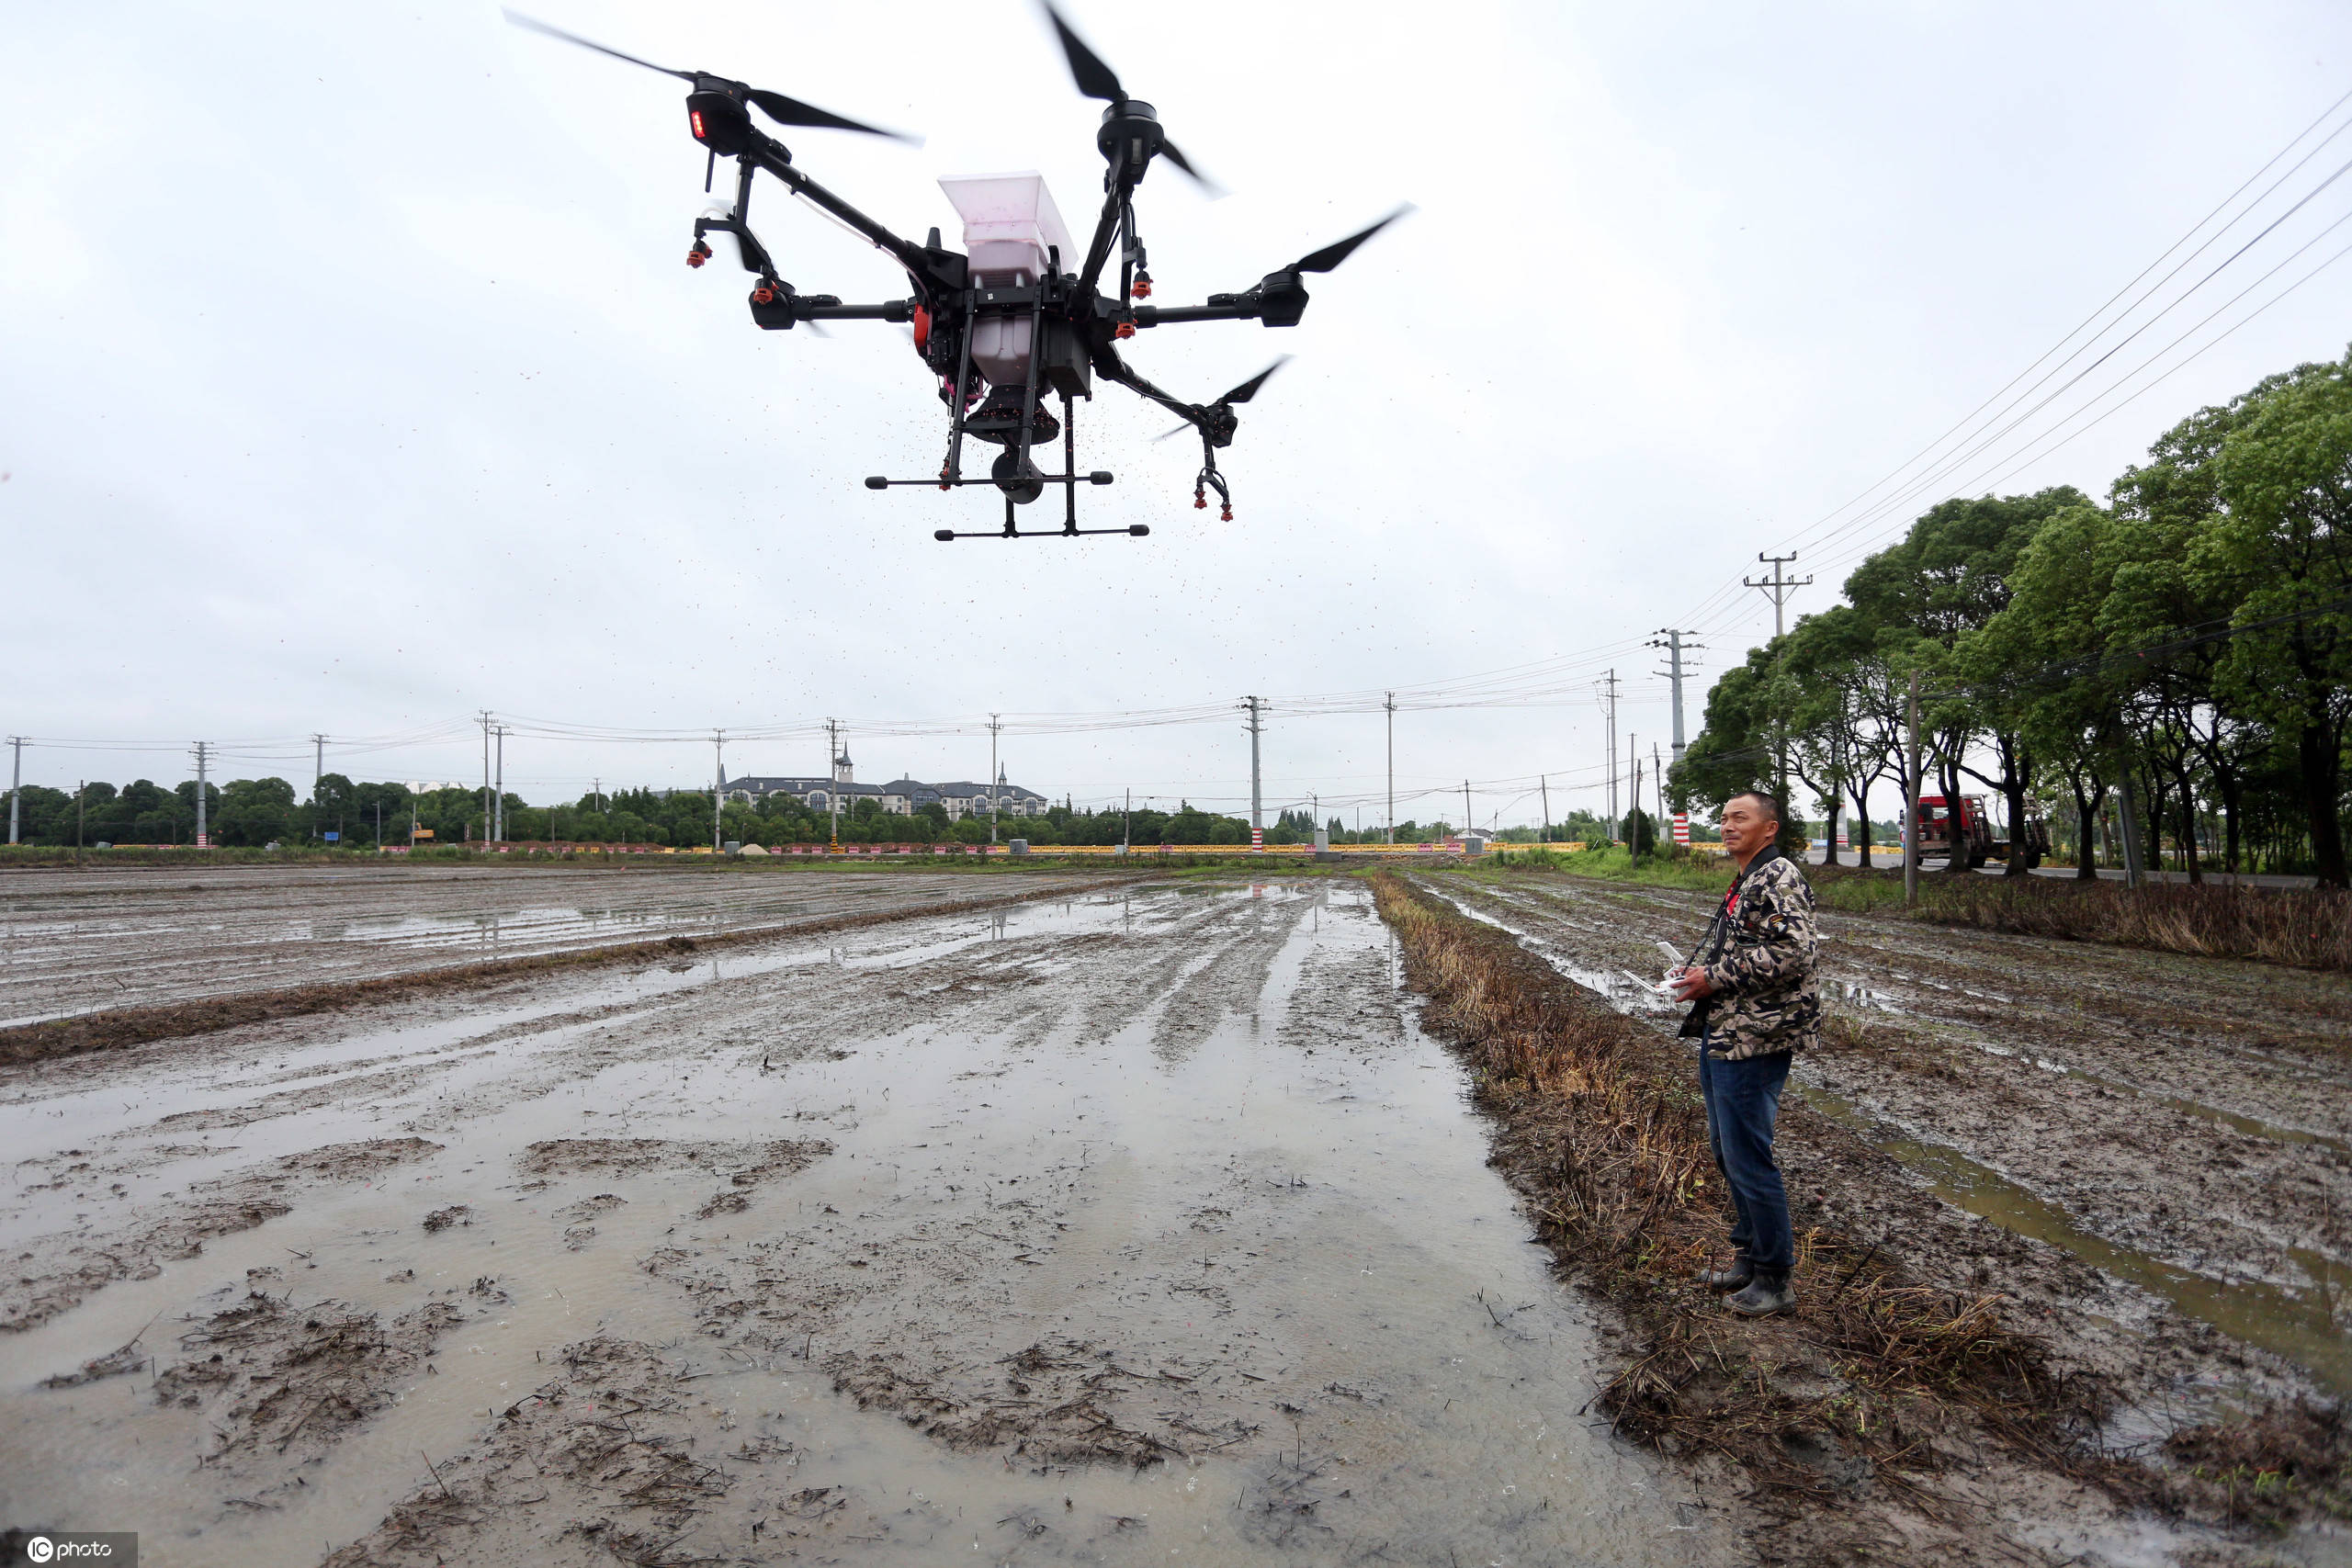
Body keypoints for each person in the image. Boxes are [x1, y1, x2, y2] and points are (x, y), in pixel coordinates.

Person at [1668, 789, 1822, 1317]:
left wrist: (1713, 977)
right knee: (1725, 1149)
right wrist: (1696, 979)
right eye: (1725, 817)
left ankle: (1776, 1279)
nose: (1728, 825)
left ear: (1770, 828)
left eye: (1741, 818)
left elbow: (1794, 951)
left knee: (1748, 1156)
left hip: (1758, 1036)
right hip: (1727, 1028)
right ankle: (1749, 1261)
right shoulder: (1748, 878)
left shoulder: (1778, 877)